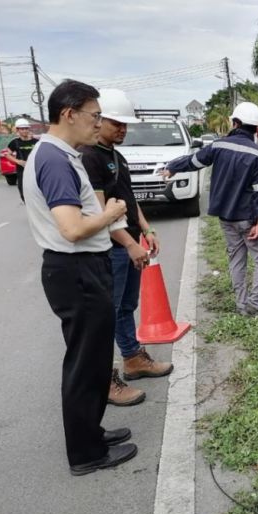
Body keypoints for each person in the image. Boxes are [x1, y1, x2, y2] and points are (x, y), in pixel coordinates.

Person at [23, 79, 137, 475]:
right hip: (75, 269)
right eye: (94, 115)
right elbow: (71, 228)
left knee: (92, 358)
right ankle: (87, 454)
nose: (98, 123)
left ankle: (92, 431)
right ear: (68, 114)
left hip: (81, 268)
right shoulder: (53, 159)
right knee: (85, 363)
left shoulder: (63, 154)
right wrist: (108, 216)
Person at [80, 88, 173, 407]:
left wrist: (147, 230)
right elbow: (99, 210)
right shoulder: (90, 157)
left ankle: (133, 358)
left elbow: (129, 201)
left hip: (129, 242)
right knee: (109, 312)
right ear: (99, 119)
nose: (122, 129)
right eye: (115, 123)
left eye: (125, 125)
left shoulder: (116, 157)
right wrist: (131, 244)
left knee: (125, 307)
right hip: (111, 248)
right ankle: (106, 378)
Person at [160, 101, 258, 315]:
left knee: (236, 257)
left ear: (235, 122)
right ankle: (257, 304)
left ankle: (242, 305)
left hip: (226, 218)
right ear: (256, 128)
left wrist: (172, 168)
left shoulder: (218, 146)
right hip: (248, 217)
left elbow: (194, 161)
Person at [4, 118, 38, 202]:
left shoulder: (36, 141)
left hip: (36, 169)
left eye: (26, 128)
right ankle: (26, 202)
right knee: (22, 188)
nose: (25, 131)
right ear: (18, 130)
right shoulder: (15, 142)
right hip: (22, 170)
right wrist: (18, 161)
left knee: (38, 188)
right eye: (22, 129)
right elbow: (7, 154)